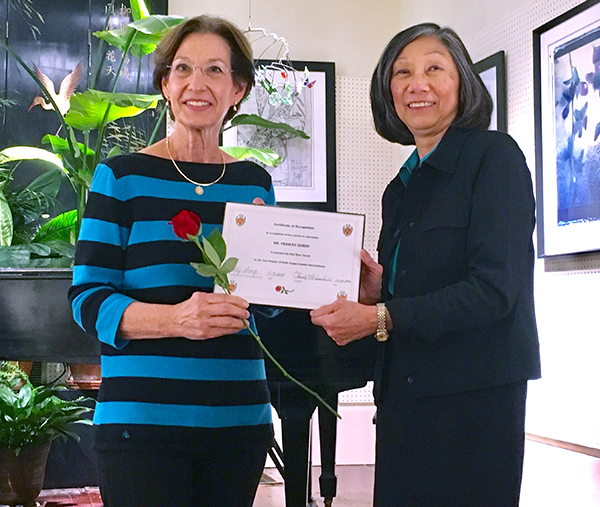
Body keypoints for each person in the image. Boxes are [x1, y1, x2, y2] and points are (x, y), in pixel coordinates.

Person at [310, 23, 541, 506]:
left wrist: (379, 317)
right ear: (387, 91)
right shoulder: (401, 186)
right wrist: (380, 290)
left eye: (435, 68)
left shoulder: (494, 157)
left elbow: (495, 290)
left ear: (462, 82)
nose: (418, 84)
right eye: (402, 73)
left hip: (474, 403)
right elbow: (419, 293)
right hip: (404, 397)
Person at [68, 16, 275, 507]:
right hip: (140, 426)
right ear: (165, 84)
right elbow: (87, 300)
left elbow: (264, 305)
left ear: (238, 88)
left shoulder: (253, 183)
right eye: (182, 69)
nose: (196, 84)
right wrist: (179, 319)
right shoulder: (121, 177)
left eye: (214, 70)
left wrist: (300, 276)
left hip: (238, 421)